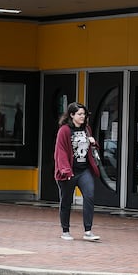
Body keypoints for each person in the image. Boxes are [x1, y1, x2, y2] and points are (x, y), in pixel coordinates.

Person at [53, 101, 101, 242]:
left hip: (84, 170)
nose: (82, 116)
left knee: (89, 196)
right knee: (66, 200)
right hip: (69, 171)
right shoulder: (65, 130)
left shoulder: (87, 129)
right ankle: (65, 230)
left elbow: (91, 148)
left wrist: (93, 142)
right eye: (79, 114)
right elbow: (60, 151)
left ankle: (88, 231)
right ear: (72, 115)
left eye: (84, 114)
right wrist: (66, 170)